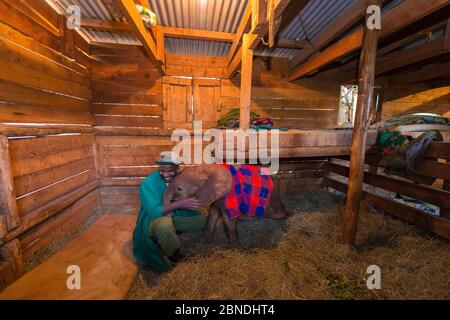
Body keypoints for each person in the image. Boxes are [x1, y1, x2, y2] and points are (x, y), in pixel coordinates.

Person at [132, 151, 206, 272]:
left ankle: (172, 235)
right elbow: (154, 212)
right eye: (162, 170)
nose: (166, 174)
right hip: (154, 220)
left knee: (204, 220)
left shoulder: (179, 179)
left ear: (177, 168)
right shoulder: (148, 183)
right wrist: (181, 203)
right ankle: (174, 255)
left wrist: (187, 202)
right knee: (165, 225)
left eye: (170, 170)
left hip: (174, 215)